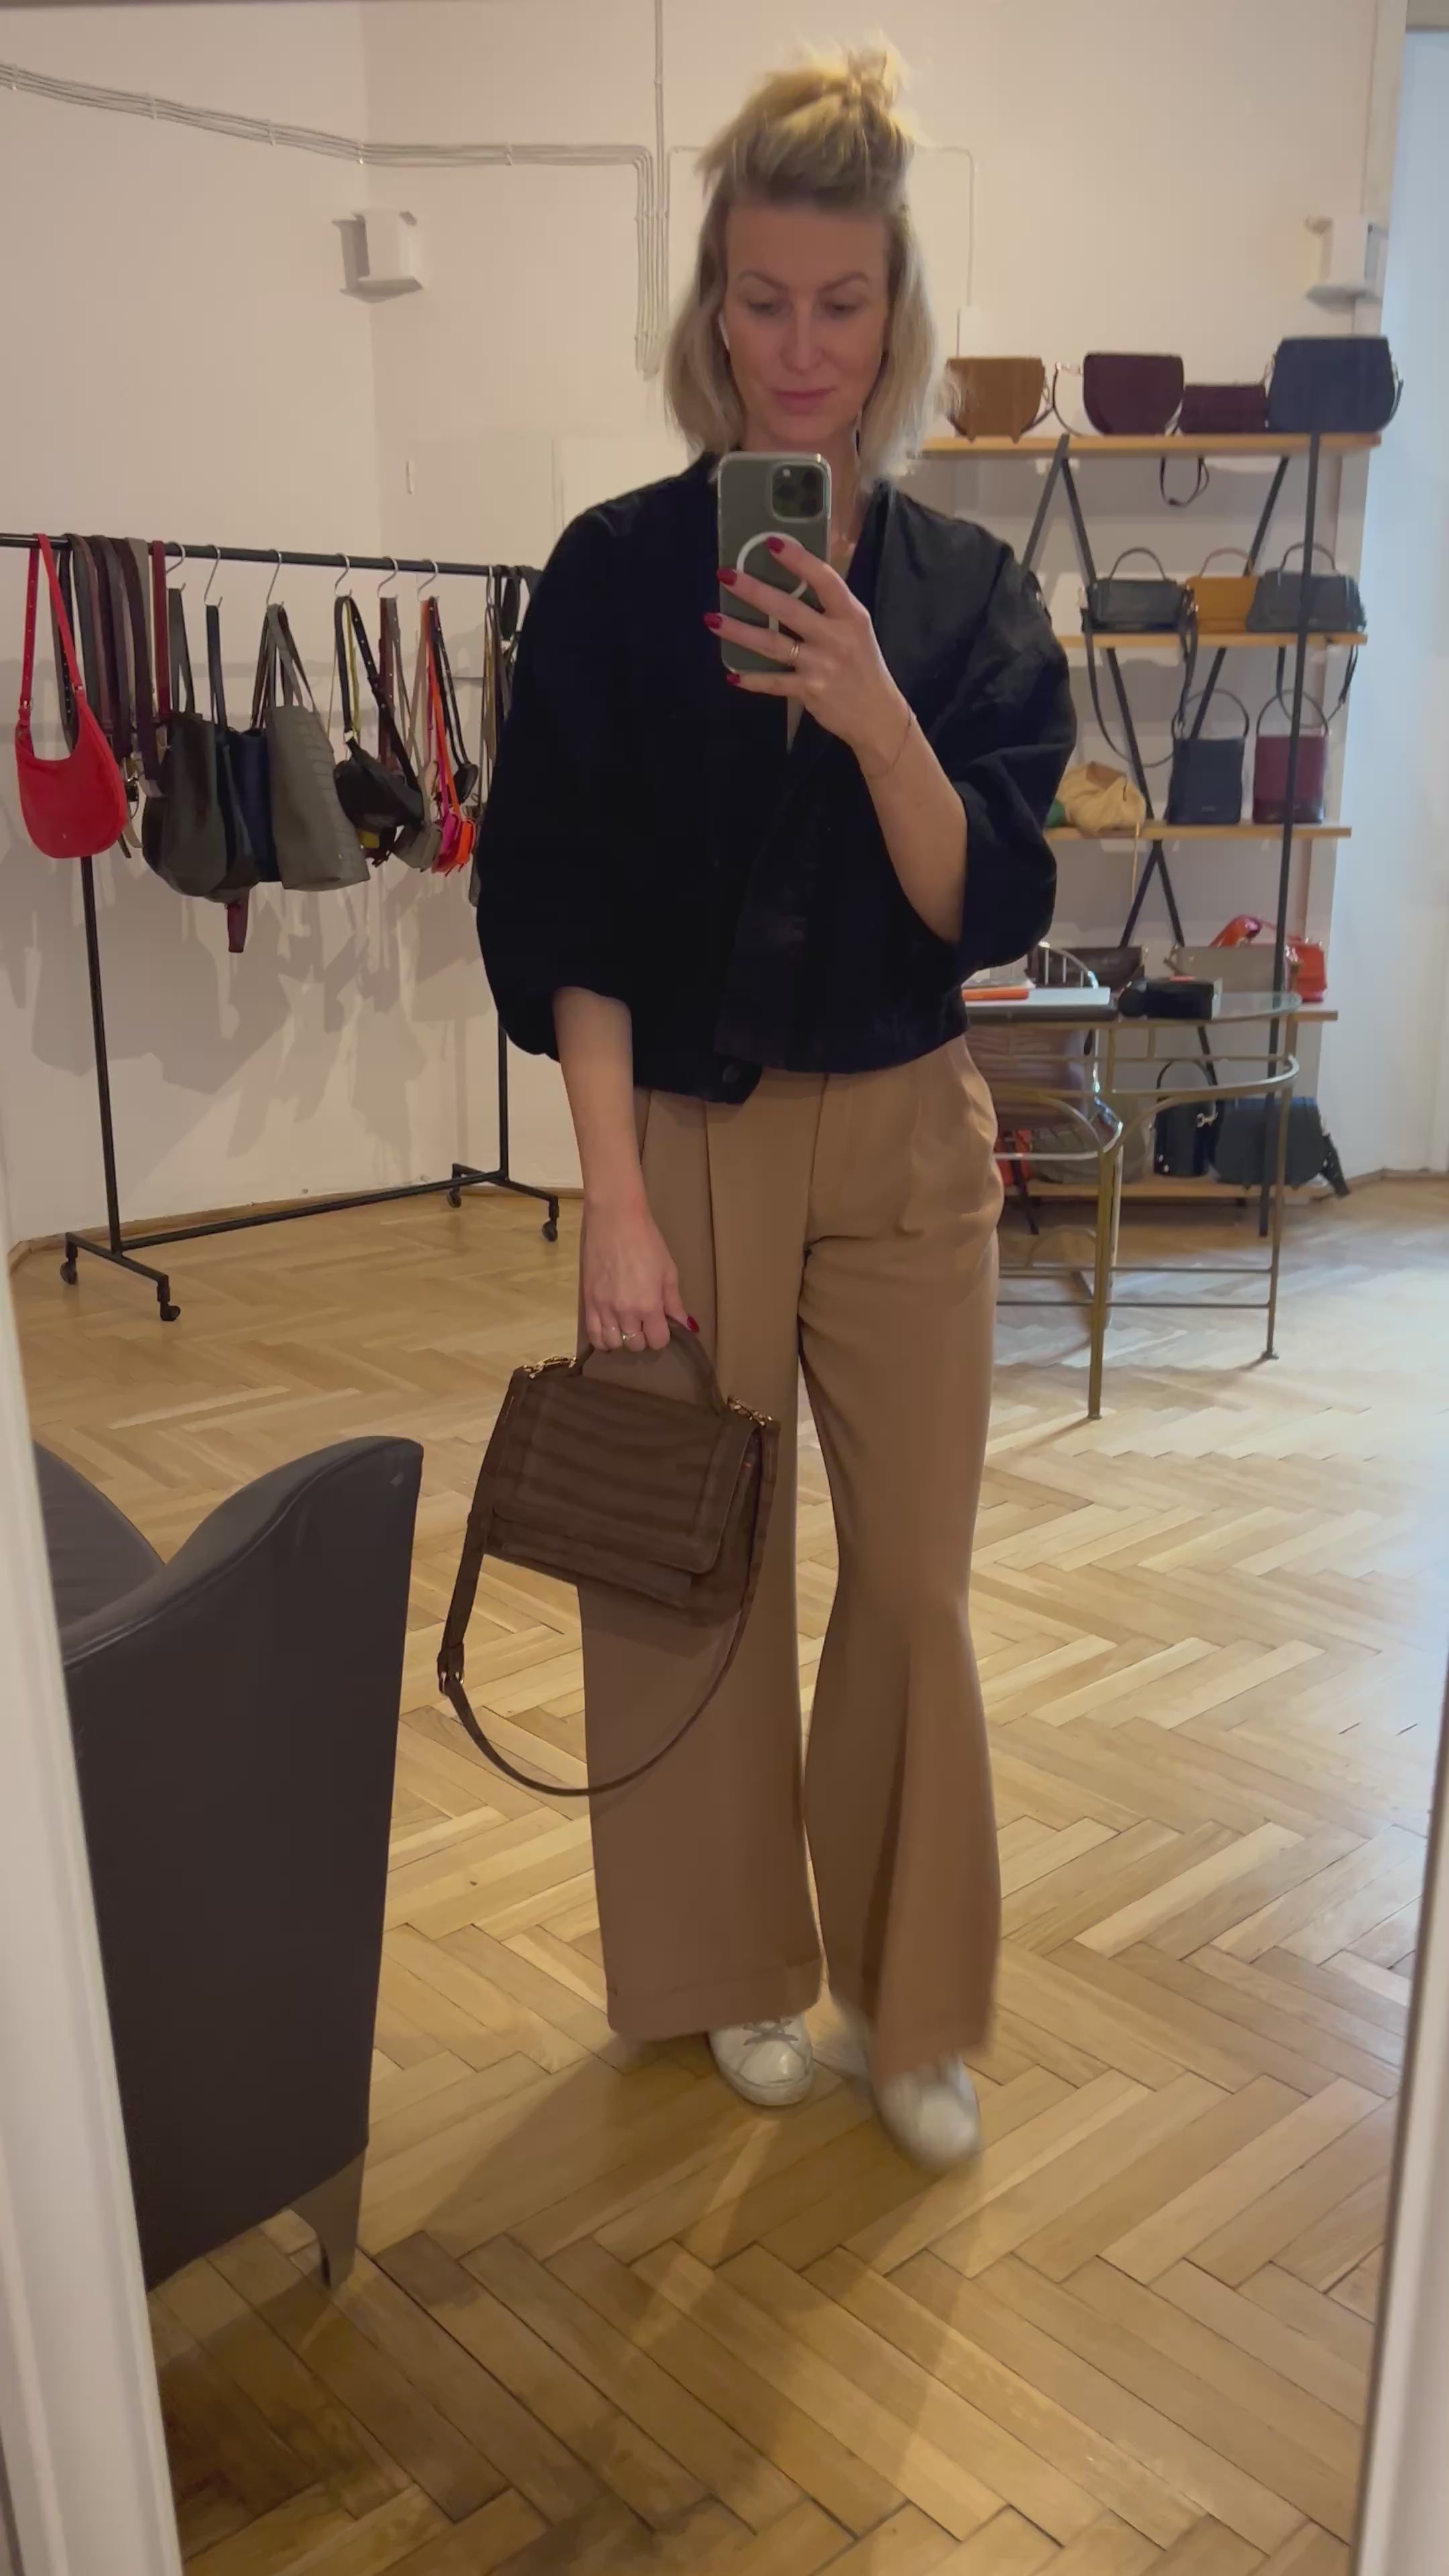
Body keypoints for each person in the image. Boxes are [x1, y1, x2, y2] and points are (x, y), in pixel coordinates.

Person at [476, 47, 1074, 2169]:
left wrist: (877, 712)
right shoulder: (614, 572)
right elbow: (561, 904)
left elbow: (986, 900)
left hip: (907, 1130)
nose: (799, 347)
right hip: (686, 1133)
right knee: (688, 1567)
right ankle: (728, 1965)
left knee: (914, 1582)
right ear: (710, 305)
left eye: (841, 302)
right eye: (761, 298)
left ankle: (914, 2004)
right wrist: (613, 1198)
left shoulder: (969, 599)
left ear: (895, 315)